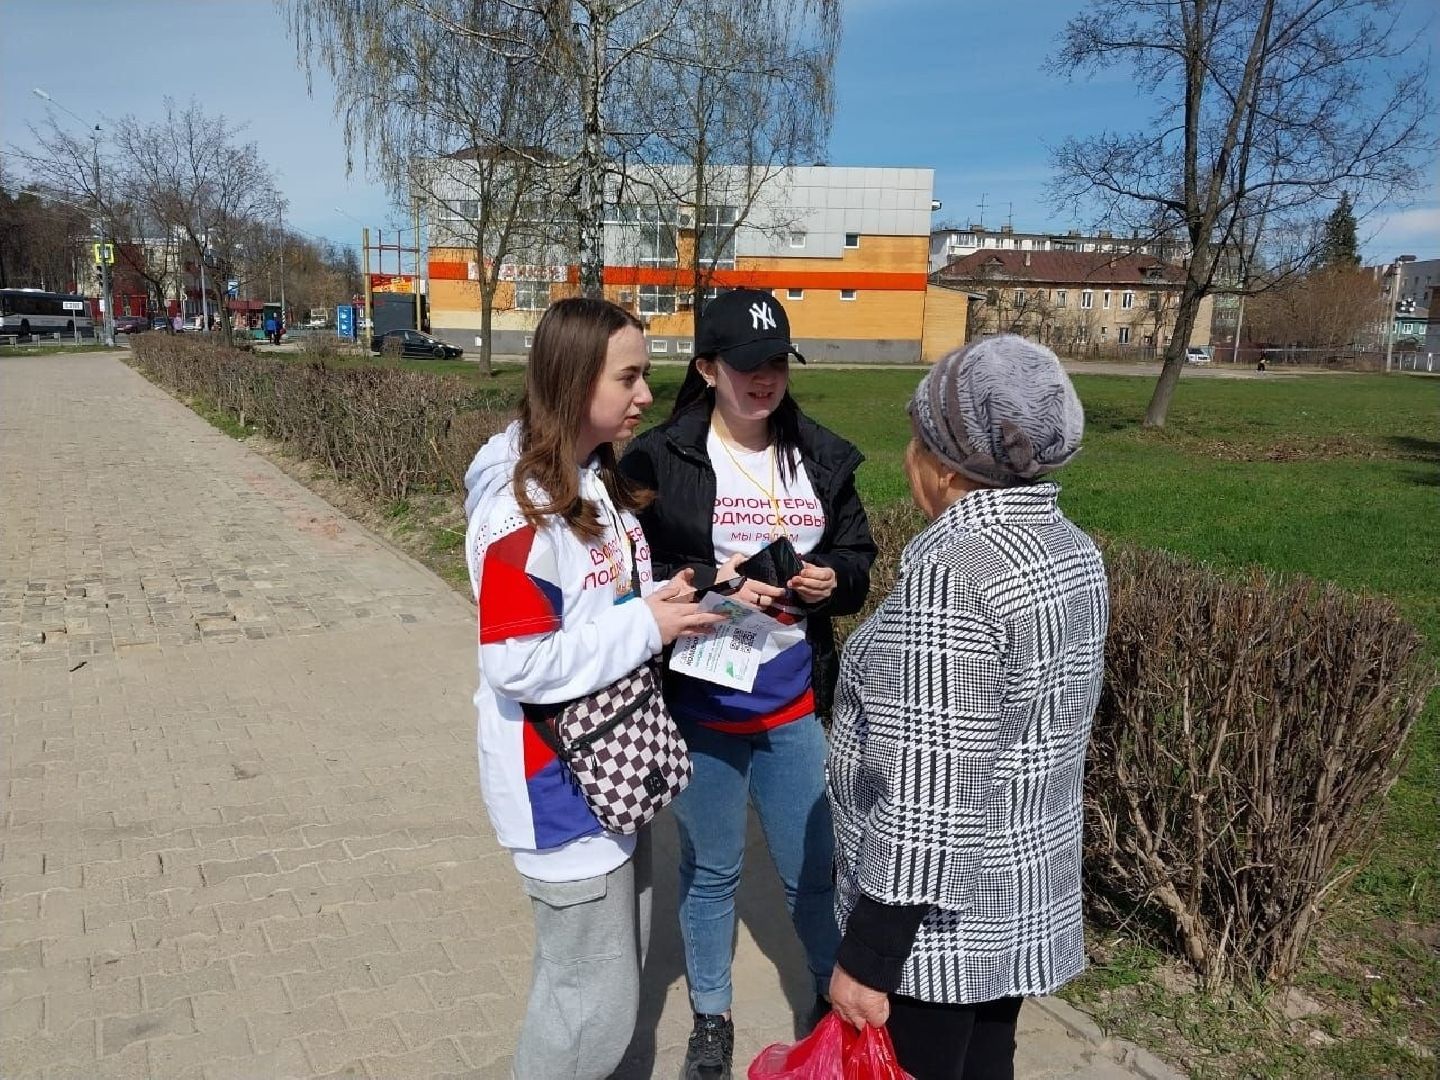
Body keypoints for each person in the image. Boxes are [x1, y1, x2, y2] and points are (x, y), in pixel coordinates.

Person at [825, 334, 1110, 1080]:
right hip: (1016, 895)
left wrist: (867, 959)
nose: (907, 455)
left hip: (936, 931)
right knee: (988, 1063)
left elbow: (929, 798)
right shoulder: (1070, 548)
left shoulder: (953, 577)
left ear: (946, 466)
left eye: (916, 438)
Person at [620, 288, 877, 1080]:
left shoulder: (822, 456)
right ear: (706, 368)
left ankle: (828, 1007)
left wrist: (833, 576)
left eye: (774, 364)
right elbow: (632, 573)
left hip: (793, 705)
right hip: (700, 705)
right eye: (744, 366)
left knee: (811, 872)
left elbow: (858, 555)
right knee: (712, 871)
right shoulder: (658, 459)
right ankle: (711, 1017)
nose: (763, 380)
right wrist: (712, 581)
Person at [463, 297, 721, 1079]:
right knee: (587, 1014)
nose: (647, 394)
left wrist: (668, 601)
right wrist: (646, 627)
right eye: (631, 377)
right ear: (578, 383)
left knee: (599, 989)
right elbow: (516, 661)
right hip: (558, 789)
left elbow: (597, 608)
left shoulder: (588, 481)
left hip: (608, 772)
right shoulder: (520, 514)